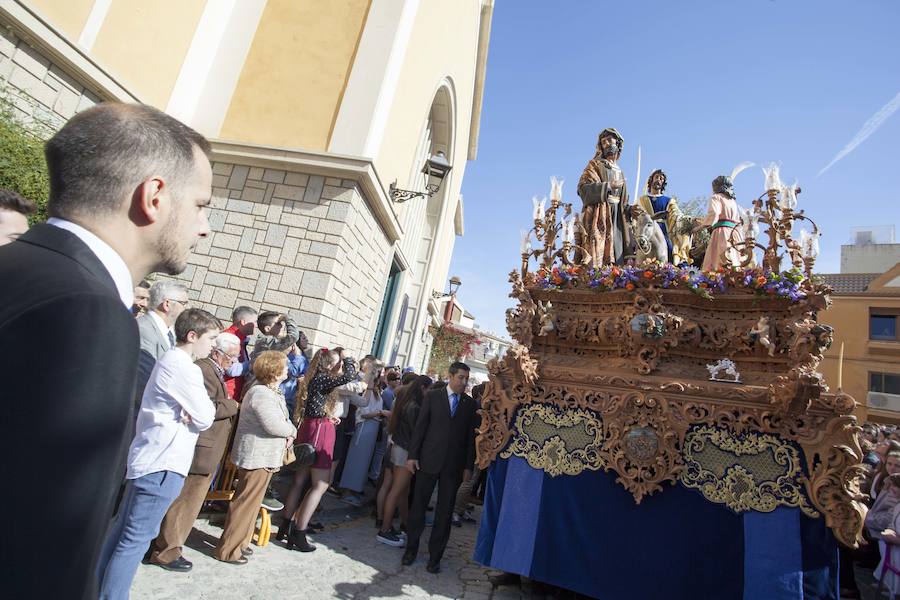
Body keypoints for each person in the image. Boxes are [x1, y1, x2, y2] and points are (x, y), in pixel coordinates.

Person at [0, 103, 211, 600]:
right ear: (154, 196)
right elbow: (47, 539)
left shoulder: (21, 267)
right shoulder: (87, 311)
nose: (204, 228)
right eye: (202, 205)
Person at [97, 309, 220, 598]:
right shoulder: (184, 367)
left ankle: (96, 588)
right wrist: (196, 412)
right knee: (135, 540)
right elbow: (205, 416)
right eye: (211, 337)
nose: (214, 344)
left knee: (122, 535)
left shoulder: (172, 361)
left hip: (152, 459)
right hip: (163, 463)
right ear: (193, 336)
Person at [149, 332, 241, 571]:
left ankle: (166, 545)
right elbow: (205, 407)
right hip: (202, 447)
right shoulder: (203, 370)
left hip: (208, 447)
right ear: (217, 353)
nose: (233, 361)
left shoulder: (213, 370)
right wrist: (232, 405)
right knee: (185, 501)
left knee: (189, 500)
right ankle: (167, 550)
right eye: (231, 356)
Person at [214, 351, 296, 564]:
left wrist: (288, 430)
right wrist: (291, 431)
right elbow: (273, 424)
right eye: (284, 366)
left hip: (264, 456)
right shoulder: (261, 393)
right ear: (273, 370)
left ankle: (241, 542)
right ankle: (229, 549)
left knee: (252, 503)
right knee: (245, 503)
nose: (288, 370)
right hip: (256, 456)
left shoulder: (269, 391)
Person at [279, 348, 358, 552]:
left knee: (299, 480)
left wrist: (327, 415)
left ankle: (285, 525)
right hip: (320, 430)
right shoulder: (324, 378)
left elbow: (315, 404)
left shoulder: (314, 377)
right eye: (338, 363)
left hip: (310, 425)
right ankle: (299, 530)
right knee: (321, 484)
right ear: (331, 364)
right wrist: (348, 358)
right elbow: (350, 376)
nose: (340, 366)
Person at [402, 362, 478, 573]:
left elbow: (471, 438)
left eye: (466, 378)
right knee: (418, 507)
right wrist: (412, 456)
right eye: (461, 377)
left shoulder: (470, 405)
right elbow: (420, 428)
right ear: (450, 376)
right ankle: (411, 550)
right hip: (428, 461)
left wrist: (468, 467)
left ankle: (435, 557)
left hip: (453, 467)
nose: (464, 382)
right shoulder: (433, 397)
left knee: (444, 513)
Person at [377, 375, 432, 547]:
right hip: (404, 451)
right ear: (423, 388)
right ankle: (385, 530)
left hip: (399, 448)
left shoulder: (406, 402)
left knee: (401, 491)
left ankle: (401, 524)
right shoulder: (414, 406)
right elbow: (416, 433)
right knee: (396, 491)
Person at [577, 128, 635, 266]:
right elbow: (582, 188)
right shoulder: (594, 164)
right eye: (604, 142)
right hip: (601, 214)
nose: (607, 143)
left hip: (619, 218)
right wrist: (608, 186)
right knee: (600, 251)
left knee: (618, 249)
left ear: (617, 142)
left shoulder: (620, 171)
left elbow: (623, 201)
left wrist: (631, 209)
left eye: (610, 140)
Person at [339, 357, 385, 505]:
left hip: (372, 429)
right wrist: (380, 413)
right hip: (364, 427)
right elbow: (363, 411)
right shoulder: (365, 388)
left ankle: (354, 489)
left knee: (363, 462)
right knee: (356, 460)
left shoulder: (376, 390)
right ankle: (347, 490)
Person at [137, 281, 191, 384]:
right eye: (184, 303)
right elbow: (144, 379)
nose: (187, 308)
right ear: (167, 304)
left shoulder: (169, 331)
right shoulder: (144, 330)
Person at [636, 169, 692, 264]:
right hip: (646, 229)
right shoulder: (642, 200)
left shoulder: (669, 201)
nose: (659, 180)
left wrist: (685, 219)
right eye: (656, 177)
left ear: (663, 183)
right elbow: (638, 214)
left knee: (670, 249)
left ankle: (674, 269)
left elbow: (676, 214)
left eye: (661, 179)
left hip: (663, 230)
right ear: (651, 180)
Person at [697, 175, 745, 272]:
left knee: (718, 261)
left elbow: (714, 213)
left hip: (722, 233)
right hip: (735, 234)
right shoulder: (732, 201)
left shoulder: (716, 197)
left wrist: (701, 226)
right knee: (735, 260)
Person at [222, 306, 258, 399]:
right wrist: (255, 363)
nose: (256, 325)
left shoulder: (240, 338)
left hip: (234, 394)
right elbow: (231, 369)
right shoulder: (229, 338)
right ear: (243, 322)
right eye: (254, 321)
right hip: (226, 395)